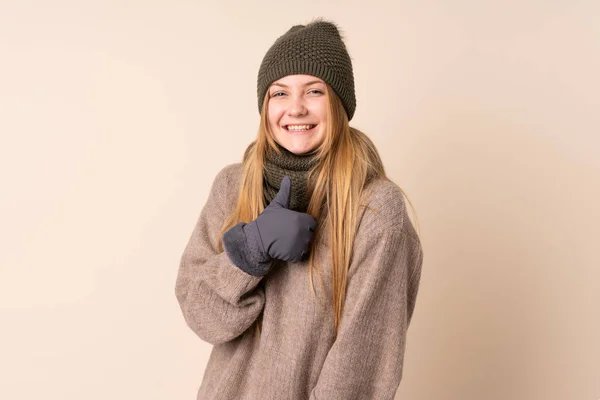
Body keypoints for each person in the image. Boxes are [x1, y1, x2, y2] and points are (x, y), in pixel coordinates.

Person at [175, 18, 424, 400]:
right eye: (279, 93)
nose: (296, 109)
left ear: (339, 103)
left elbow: (361, 371)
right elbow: (203, 319)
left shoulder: (375, 209)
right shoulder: (232, 186)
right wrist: (249, 252)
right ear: (264, 106)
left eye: (314, 91)